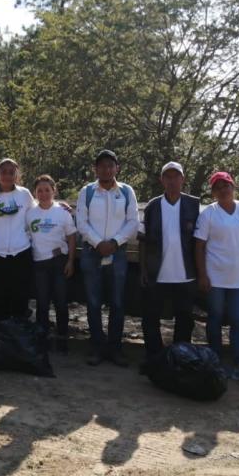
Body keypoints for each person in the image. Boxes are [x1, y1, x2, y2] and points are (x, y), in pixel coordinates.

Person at [194, 171, 239, 383]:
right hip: (215, 278)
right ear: (213, 193)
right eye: (218, 187)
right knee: (215, 318)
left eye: (226, 185)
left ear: (233, 187)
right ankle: (215, 362)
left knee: (238, 320)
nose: (223, 190)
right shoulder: (209, 214)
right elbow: (199, 246)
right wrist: (202, 275)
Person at [76, 149, 139, 366]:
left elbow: (133, 222)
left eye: (110, 165)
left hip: (117, 253)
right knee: (93, 303)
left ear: (117, 168)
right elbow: (81, 222)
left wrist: (114, 243)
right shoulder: (87, 192)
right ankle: (96, 347)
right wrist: (98, 243)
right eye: (102, 165)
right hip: (91, 253)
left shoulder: (126, 191)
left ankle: (115, 349)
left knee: (117, 303)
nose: (106, 169)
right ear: (95, 169)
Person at [139, 162, 200, 359]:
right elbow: (143, 240)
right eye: (168, 177)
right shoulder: (153, 206)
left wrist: (201, 271)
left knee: (185, 319)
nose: (172, 181)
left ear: (183, 179)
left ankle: (181, 358)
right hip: (158, 273)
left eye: (176, 177)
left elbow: (201, 242)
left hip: (186, 275)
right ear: (162, 180)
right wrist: (143, 270)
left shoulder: (194, 205)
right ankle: (154, 357)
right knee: (150, 317)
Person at [0, 158, 35, 322]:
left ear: (17, 175)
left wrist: (59, 207)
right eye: (3, 172)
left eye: (11, 172)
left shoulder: (24, 194)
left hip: (21, 253)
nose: (7, 176)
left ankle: (18, 333)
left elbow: (38, 211)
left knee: (20, 297)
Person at [26, 175, 76, 354]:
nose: (44, 193)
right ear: (35, 193)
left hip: (59, 262)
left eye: (47, 190)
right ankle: (42, 338)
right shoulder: (30, 213)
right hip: (39, 263)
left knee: (61, 302)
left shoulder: (62, 212)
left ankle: (62, 338)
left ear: (54, 191)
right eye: (39, 190)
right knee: (42, 302)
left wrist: (70, 261)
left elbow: (71, 237)